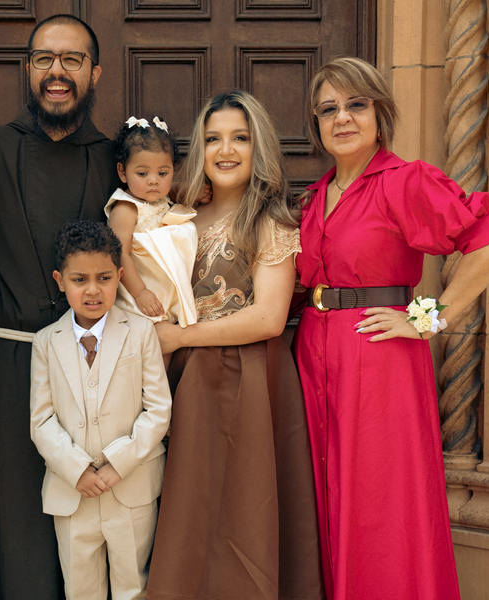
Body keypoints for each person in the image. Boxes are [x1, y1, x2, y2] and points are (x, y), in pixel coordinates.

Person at [294, 57, 489, 600]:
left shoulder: (405, 181)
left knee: (380, 500)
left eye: (356, 104)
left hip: (379, 356)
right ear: (316, 123)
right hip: (313, 356)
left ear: (380, 114)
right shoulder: (314, 197)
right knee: (325, 496)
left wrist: (429, 319)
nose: (342, 118)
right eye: (328, 109)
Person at [0, 13, 119, 600]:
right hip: (13, 357)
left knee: (88, 509)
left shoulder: (113, 158)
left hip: (94, 360)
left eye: (72, 59)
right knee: (13, 509)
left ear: (95, 72)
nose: (57, 71)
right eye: (45, 58)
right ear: (28, 69)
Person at [146, 90, 324, 600]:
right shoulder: (176, 216)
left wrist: (181, 336)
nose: (226, 150)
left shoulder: (269, 219)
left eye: (240, 138)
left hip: (245, 381)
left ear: (258, 146)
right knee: (181, 509)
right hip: (176, 377)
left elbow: (269, 317)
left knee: (237, 511)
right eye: (213, 139)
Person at [30, 220, 172, 600]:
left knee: (133, 588)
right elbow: (41, 421)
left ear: (120, 277)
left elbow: (158, 409)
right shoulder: (46, 342)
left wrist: (117, 463)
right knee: (80, 590)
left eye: (104, 278)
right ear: (60, 281)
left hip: (130, 488)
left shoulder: (140, 332)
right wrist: (76, 469)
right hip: (71, 492)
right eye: (80, 280)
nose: (93, 290)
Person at [105, 116, 198, 328]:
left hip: (164, 295)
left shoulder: (163, 201)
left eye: (163, 173)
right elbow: (119, 253)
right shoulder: (126, 208)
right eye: (142, 173)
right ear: (122, 172)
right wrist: (140, 293)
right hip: (139, 295)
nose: (154, 180)